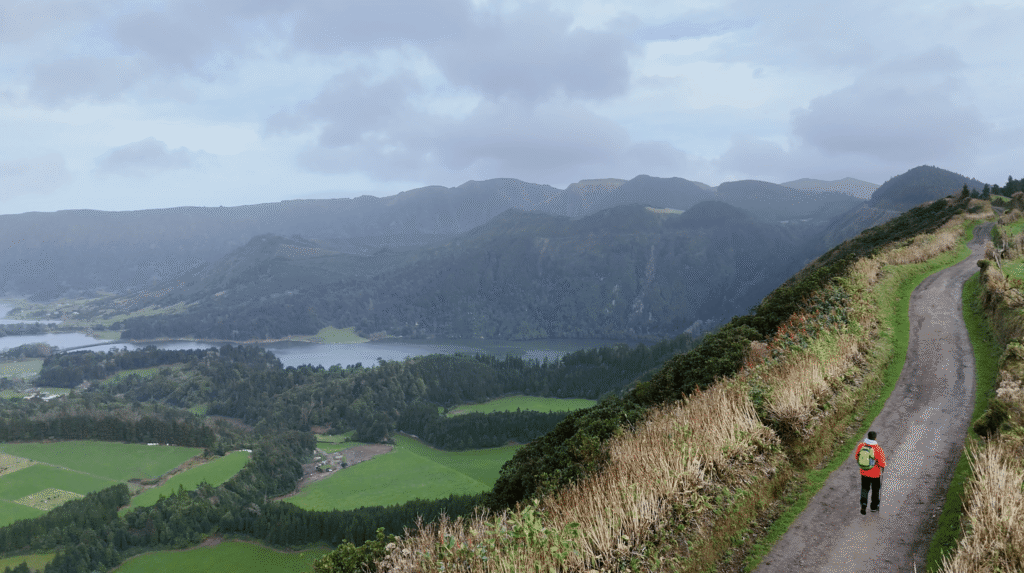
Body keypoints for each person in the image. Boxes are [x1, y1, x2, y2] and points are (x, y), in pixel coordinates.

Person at [855, 430, 886, 514]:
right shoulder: (878, 449)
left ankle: (863, 504)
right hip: (875, 474)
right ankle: (874, 506)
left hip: (864, 472)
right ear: (875, 438)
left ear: (867, 436)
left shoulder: (861, 445)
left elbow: (857, 456)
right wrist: (882, 466)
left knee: (865, 488)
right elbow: (882, 463)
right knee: (875, 490)